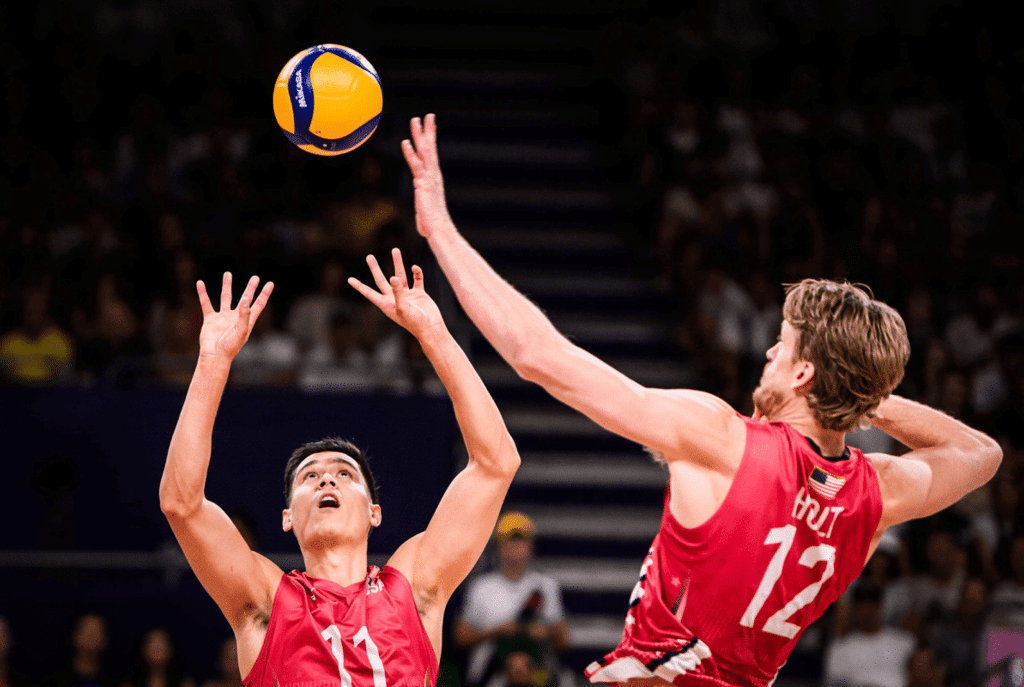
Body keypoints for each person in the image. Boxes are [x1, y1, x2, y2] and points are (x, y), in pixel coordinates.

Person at [399, 113, 1003, 687]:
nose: (767, 355)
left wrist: (443, 232)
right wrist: (864, 397)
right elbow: (980, 453)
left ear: (803, 377)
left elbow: (539, 356)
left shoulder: (723, 438)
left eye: (781, 348)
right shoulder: (880, 492)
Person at [159, 250, 520, 686]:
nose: (326, 477)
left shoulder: (413, 589)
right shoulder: (267, 600)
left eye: (345, 474)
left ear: (375, 512)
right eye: (308, 477)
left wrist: (435, 336)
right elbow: (181, 503)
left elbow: (496, 464)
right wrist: (212, 365)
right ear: (287, 517)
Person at [456, 512, 570, 687]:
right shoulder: (481, 587)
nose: (515, 546)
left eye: (521, 540)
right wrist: (496, 631)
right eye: (509, 540)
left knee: (523, 664)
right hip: (491, 670)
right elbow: (460, 637)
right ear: (498, 546)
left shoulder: (546, 586)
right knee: (517, 664)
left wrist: (543, 631)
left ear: (530, 546)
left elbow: (563, 640)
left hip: (536, 665)